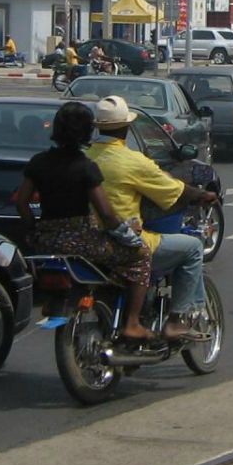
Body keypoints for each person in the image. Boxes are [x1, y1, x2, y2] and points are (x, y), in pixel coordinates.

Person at [14, 102, 160, 342]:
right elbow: (106, 214)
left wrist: (35, 230)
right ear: (87, 132)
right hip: (81, 241)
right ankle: (132, 323)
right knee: (141, 255)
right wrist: (127, 235)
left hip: (46, 241)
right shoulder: (85, 167)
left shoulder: (38, 162)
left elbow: (21, 203)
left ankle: (57, 301)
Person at [91, 95, 221, 334]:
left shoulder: (87, 156)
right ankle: (176, 320)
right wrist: (202, 195)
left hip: (91, 240)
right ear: (127, 127)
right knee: (192, 248)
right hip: (124, 240)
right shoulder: (132, 161)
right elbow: (173, 189)